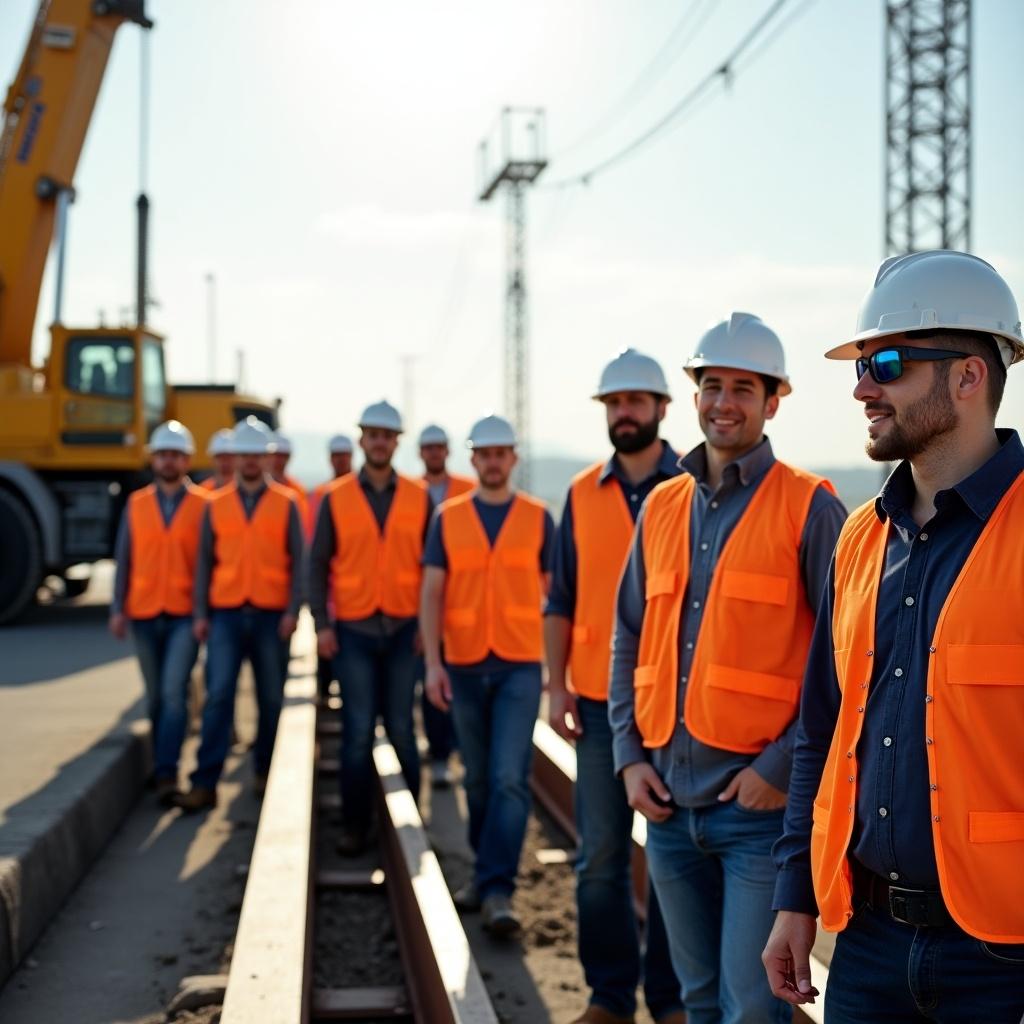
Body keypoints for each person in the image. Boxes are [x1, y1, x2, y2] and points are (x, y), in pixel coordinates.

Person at [764, 251, 1024, 1023]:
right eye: (861, 365)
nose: (861, 387)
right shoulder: (858, 540)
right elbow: (822, 732)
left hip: (1003, 959)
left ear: (969, 377)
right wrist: (795, 897)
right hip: (867, 945)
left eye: (886, 363)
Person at [609, 314, 847, 1024]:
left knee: (751, 1006)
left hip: (756, 815)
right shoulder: (661, 506)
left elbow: (843, 659)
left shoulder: (812, 507)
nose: (724, 402)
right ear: (694, 395)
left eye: (744, 388)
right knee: (698, 999)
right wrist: (627, 755)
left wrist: (778, 769)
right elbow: (629, 635)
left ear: (774, 400)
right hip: (668, 806)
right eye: (712, 385)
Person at [545, 349, 684, 1024]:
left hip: (677, 707)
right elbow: (560, 600)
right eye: (613, 403)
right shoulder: (578, 494)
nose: (624, 412)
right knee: (598, 856)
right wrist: (555, 687)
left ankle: (669, 998)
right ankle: (608, 997)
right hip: (599, 704)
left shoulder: (693, 484)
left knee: (670, 861)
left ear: (662, 408)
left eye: (636, 401)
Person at [420, 414, 556, 936]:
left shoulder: (540, 518)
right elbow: (431, 593)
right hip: (465, 664)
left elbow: (557, 598)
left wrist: (554, 666)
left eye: (503, 453)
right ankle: (484, 874)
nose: (494, 461)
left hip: (520, 665)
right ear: (473, 459)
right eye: (485, 453)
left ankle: (498, 888)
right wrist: (432, 663)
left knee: (507, 777)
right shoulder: (447, 518)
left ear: (513, 459)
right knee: (476, 779)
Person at [309, 400, 430, 855]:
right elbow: (317, 564)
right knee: (358, 731)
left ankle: (410, 824)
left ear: (397, 441)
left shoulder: (420, 498)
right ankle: (355, 826)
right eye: (372, 434)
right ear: (362, 439)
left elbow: (434, 569)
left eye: (387, 435)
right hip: (354, 631)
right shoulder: (336, 497)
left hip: (404, 630)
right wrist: (322, 624)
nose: (379, 442)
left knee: (401, 727)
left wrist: (427, 628)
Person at [176, 416, 304, 811]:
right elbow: (203, 564)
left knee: (270, 700)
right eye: (244, 455)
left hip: (270, 616)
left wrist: (292, 611)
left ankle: (266, 774)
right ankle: (205, 782)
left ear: (268, 459)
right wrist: (200, 613)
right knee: (218, 698)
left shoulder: (287, 504)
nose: (250, 462)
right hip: (226, 615)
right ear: (235, 459)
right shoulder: (215, 505)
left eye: (256, 456)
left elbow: (298, 562)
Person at [110, 421, 209, 805]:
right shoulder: (136, 505)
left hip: (186, 614)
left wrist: (204, 614)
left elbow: (208, 563)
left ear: (186, 460)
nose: (169, 460)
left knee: (172, 694)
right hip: (144, 613)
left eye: (176, 454)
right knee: (154, 698)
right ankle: (163, 763)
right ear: (154, 459)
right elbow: (125, 559)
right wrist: (118, 608)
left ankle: (167, 773)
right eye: (163, 454)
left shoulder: (204, 506)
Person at [416, 423, 475, 787]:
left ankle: (460, 751)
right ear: (421, 452)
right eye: (429, 448)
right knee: (433, 682)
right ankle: (439, 753)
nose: (435, 453)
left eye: (440, 447)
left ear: (447, 451)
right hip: (428, 603)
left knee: (462, 687)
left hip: (468, 605)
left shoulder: (468, 491)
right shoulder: (409, 493)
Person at [310, 433, 354, 700]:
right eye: (336, 455)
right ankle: (326, 689)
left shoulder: (358, 493)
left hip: (354, 594)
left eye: (344, 455)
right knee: (327, 644)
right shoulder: (322, 495)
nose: (340, 460)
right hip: (330, 587)